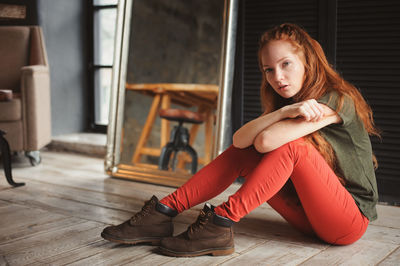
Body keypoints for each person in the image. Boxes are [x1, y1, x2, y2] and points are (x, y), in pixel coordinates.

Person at [101, 23, 380, 257]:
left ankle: (220, 223)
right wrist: (284, 110)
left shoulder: (335, 101)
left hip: (347, 221)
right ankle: (163, 212)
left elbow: (265, 142)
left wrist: (283, 114)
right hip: (309, 216)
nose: (277, 77)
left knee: (296, 150)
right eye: (268, 69)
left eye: (286, 64)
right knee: (242, 152)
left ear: (307, 60)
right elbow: (240, 141)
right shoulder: (293, 104)